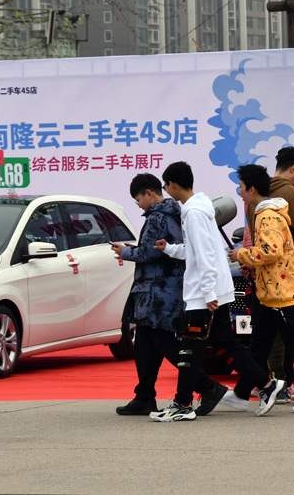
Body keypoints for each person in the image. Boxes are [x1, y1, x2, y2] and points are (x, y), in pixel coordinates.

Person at [152, 161, 283, 421]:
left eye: (166, 186)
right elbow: (198, 251)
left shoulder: (194, 213)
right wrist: (170, 249)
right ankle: (266, 385)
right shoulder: (199, 208)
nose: (166, 191)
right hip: (213, 289)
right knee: (224, 342)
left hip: (204, 295)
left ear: (173, 184)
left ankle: (182, 404)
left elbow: (205, 255)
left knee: (189, 350)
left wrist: (208, 292)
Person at [228, 164, 294, 413]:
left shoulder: (267, 216)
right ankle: (241, 394)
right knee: (259, 344)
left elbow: (271, 251)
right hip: (271, 290)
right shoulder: (268, 212)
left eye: (241, 187)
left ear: (252, 189)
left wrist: (242, 254)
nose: (239, 192)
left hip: (279, 291)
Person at [111, 173, 188, 416]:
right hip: (162, 290)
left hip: (156, 292)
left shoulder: (157, 217)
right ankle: (144, 396)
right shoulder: (172, 215)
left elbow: (149, 253)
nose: (139, 205)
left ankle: (206, 386)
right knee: (144, 346)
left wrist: (124, 252)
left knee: (164, 343)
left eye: (138, 200)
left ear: (149, 193)